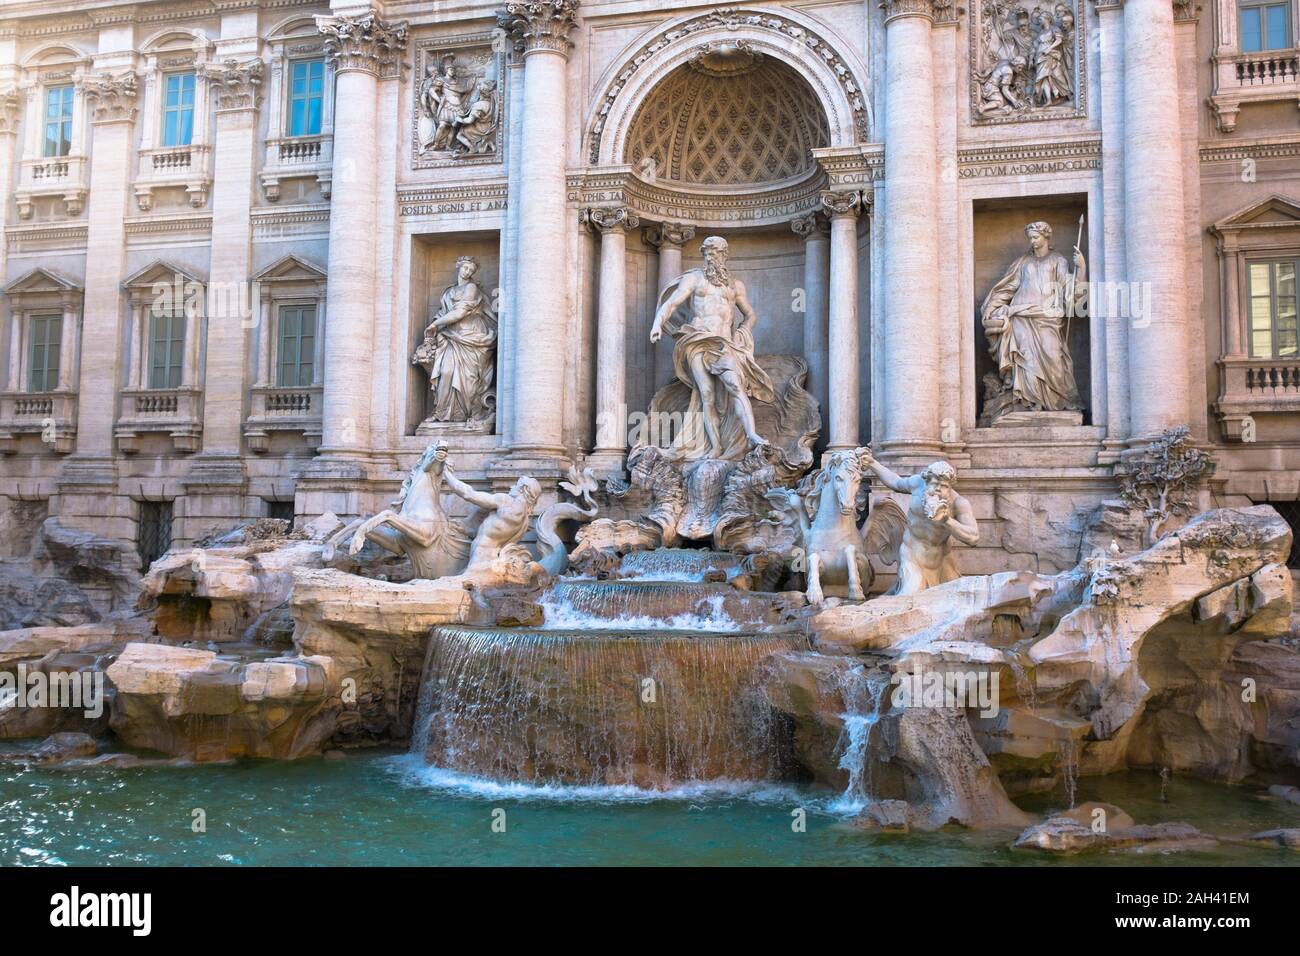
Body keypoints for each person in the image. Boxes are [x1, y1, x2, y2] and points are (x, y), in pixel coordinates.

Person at [649, 236, 775, 460]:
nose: (710, 256)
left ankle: (752, 434)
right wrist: (657, 323)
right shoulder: (695, 279)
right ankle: (715, 446)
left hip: (724, 343)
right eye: (706, 252)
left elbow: (750, 314)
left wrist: (743, 331)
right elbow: (672, 303)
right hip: (697, 340)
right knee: (706, 394)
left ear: (724, 255)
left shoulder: (735, 286)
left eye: (714, 252)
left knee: (735, 386)